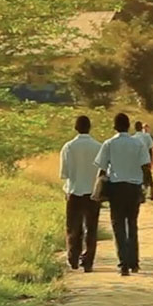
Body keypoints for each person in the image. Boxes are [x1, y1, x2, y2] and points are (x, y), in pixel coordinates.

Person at [95, 113, 153, 276]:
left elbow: (101, 169)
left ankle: (123, 263)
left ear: (114, 127)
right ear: (128, 126)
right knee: (132, 224)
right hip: (134, 188)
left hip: (116, 188)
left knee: (118, 226)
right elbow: (145, 167)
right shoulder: (137, 143)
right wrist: (152, 187)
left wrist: (97, 190)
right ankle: (134, 262)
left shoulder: (108, 144)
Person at [59, 115, 102, 272]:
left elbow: (64, 174)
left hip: (74, 191)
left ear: (75, 128)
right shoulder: (99, 147)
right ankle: (88, 260)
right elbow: (104, 172)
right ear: (89, 127)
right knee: (91, 228)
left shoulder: (68, 147)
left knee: (73, 228)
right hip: (93, 193)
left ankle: (73, 257)